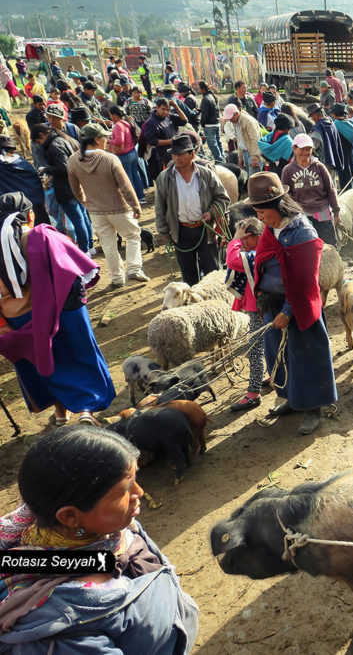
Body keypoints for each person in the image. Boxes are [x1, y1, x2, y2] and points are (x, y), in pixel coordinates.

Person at [0, 426, 199, 651]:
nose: (140, 493)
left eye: (136, 479)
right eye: (124, 490)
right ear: (70, 516)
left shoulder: (108, 531)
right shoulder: (56, 631)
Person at [0, 192, 114, 426]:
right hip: (57, 313)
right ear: (29, 214)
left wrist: (3, 325)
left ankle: (61, 413)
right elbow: (72, 270)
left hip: (16, 320)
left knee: (46, 365)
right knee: (76, 356)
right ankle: (86, 410)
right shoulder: (40, 236)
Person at [247, 172, 338, 435]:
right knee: (279, 355)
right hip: (272, 305)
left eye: (262, 211)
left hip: (298, 306)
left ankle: (313, 407)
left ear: (277, 205)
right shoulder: (272, 228)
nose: (259, 217)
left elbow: (306, 281)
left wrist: (288, 312)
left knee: (305, 356)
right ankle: (291, 399)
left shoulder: (303, 233)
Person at [66, 123, 148, 290]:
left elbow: (75, 188)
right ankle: (134, 269)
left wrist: (84, 201)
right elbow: (125, 186)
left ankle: (117, 278)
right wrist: (135, 205)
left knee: (108, 244)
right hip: (119, 208)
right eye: (104, 137)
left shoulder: (73, 160)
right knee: (133, 236)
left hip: (95, 211)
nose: (107, 140)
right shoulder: (110, 158)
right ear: (96, 139)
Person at [154, 135, 230, 286]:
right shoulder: (165, 178)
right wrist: (164, 231)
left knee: (212, 273)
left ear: (192, 154)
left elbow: (223, 198)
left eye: (180, 153)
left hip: (205, 230)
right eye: (174, 154)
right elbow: (160, 207)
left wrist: (211, 213)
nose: (176, 157)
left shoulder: (206, 174)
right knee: (188, 276)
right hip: (181, 231)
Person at [29, 123, 92, 254]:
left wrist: (46, 169)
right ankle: (89, 245)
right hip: (76, 184)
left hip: (65, 188)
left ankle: (84, 250)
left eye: (38, 141)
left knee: (78, 219)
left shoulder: (53, 147)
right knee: (83, 216)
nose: (39, 144)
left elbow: (63, 168)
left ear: (42, 135)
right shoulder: (62, 139)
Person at [224, 218, 266, 412]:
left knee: (256, 349)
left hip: (261, 307)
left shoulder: (258, 255)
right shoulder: (254, 252)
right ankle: (274, 376)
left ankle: (253, 393)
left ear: (257, 237)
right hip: (255, 305)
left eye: (246, 239)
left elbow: (232, 260)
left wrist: (235, 239)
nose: (243, 243)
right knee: (266, 345)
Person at [280, 133, 342, 247]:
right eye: (302, 149)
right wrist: (287, 216)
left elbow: (331, 189)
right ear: (294, 148)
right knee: (307, 247)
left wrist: (336, 212)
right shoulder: (288, 170)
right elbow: (285, 196)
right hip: (300, 215)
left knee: (329, 245)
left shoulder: (319, 167)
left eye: (308, 149)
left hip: (321, 212)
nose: (305, 152)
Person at [220, 103, 262, 176]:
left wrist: (255, 157)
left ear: (236, 114)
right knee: (249, 177)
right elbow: (240, 141)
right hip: (246, 152)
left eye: (230, 118)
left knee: (254, 179)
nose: (230, 120)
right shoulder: (237, 123)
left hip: (253, 153)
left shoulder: (248, 121)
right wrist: (240, 158)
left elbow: (255, 140)